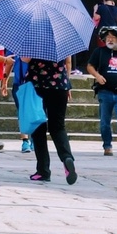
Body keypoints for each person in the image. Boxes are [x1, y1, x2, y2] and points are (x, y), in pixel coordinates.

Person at [24, 54, 77, 185]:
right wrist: (66, 81)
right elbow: (68, 61)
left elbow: (25, 59)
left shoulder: (34, 37)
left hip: (37, 85)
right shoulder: (62, 36)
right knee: (58, 127)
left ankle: (43, 170)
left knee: (38, 128)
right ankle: (67, 158)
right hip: (60, 85)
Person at [86, 26, 117, 157]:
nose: (110, 39)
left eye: (113, 37)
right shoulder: (99, 52)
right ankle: (107, 146)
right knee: (105, 122)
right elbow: (90, 66)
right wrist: (97, 76)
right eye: (107, 37)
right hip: (105, 92)